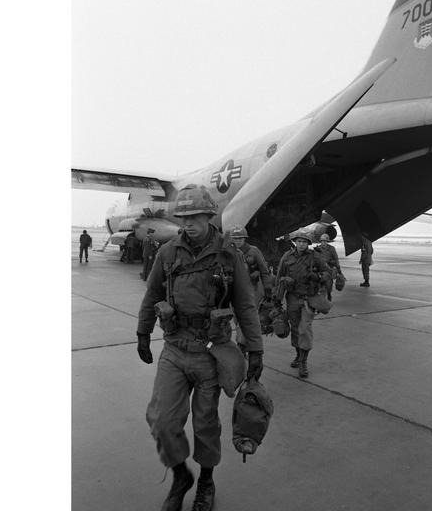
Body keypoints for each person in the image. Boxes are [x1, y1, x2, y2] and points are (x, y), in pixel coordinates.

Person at [136, 184, 263, 511]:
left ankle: (206, 480)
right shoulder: (168, 253)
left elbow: (246, 305)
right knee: (162, 421)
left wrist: (256, 349)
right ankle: (181, 475)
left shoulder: (228, 255)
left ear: (209, 215)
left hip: (211, 353)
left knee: (206, 424)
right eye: (184, 217)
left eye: (195, 216)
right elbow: (152, 296)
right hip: (175, 350)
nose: (189, 222)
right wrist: (142, 332)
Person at [275, 229, 331, 378]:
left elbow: (328, 273)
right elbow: (279, 276)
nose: (301, 244)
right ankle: (298, 356)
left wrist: (318, 276)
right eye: (299, 241)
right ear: (295, 242)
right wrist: (277, 296)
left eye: (304, 242)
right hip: (292, 298)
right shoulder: (287, 257)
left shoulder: (315, 257)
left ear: (308, 243)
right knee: (294, 329)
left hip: (308, 298)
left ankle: (303, 362)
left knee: (304, 329)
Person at [227, 225, 274, 348]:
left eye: (240, 238)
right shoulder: (228, 252)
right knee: (237, 318)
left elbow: (264, 271)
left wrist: (268, 289)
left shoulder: (254, 251)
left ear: (245, 239)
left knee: (246, 318)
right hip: (235, 290)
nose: (238, 241)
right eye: (235, 238)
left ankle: (241, 346)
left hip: (252, 290)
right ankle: (244, 343)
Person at [313, 233, 342, 300]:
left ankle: (329, 294)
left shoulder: (331, 249)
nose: (324, 243)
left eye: (325, 241)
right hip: (319, 269)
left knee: (329, 284)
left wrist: (339, 271)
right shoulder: (317, 249)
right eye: (322, 241)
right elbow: (314, 260)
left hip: (329, 270)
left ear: (328, 241)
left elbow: (336, 259)